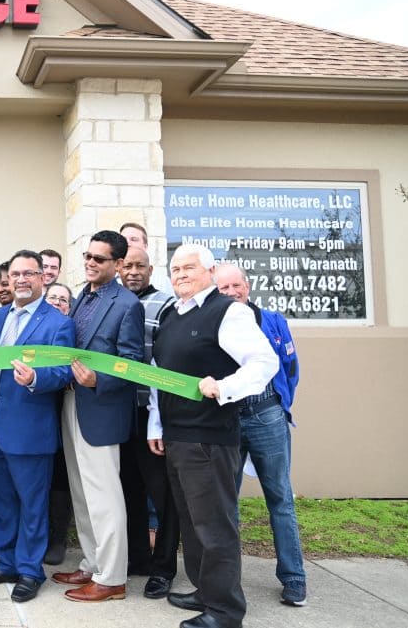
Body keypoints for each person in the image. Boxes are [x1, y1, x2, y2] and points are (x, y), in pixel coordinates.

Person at [148, 245, 277, 628]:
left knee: (214, 525)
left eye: (190, 267)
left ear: (210, 271)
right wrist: (157, 426)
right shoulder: (172, 314)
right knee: (191, 521)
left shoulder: (229, 312)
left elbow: (265, 361)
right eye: (175, 269)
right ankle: (206, 592)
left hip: (210, 437)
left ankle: (224, 611)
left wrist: (224, 386)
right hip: (177, 436)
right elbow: (160, 375)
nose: (181, 274)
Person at [0, 250, 75, 603]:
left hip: (30, 428)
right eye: (15, 274)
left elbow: (62, 373)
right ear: (7, 280)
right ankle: (7, 562)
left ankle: (30, 570)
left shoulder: (58, 323)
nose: (21, 280)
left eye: (29, 273)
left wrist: (34, 378)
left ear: (43, 278)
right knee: (1, 501)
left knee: (31, 503)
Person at [54, 230, 144, 603]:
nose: (90, 263)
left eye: (100, 259)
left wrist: (98, 380)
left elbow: (133, 361)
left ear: (119, 265)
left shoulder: (127, 305)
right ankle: (92, 564)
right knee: (81, 492)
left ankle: (112, 578)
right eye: (88, 257)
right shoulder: (81, 298)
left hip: (102, 408)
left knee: (104, 497)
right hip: (72, 403)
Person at [214, 263, 307, 607]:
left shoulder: (273, 320)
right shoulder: (214, 323)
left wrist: (280, 405)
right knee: (227, 503)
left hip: (267, 415)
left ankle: (294, 578)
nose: (231, 292)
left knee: (280, 498)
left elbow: (290, 368)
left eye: (236, 285)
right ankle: (227, 580)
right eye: (223, 287)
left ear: (247, 287)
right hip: (229, 419)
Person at [117, 246, 180, 600]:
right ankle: (138, 557)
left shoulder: (165, 304)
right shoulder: (115, 302)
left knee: (163, 495)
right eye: (127, 265)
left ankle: (164, 568)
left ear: (151, 269)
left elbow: (165, 360)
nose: (133, 272)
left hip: (151, 412)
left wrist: (159, 418)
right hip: (119, 411)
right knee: (128, 490)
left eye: (140, 266)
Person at [41, 280, 75, 566]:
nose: (57, 302)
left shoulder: (73, 330)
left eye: (63, 299)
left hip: (67, 411)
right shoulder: (38, 328)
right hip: (39, 410)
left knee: (61, 477)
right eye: (52, 297)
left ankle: (58, 537)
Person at [119, 222, 173, 295]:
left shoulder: (161, 281)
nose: (128, 243)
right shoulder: (108, 279)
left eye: (134, 239)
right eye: (123, 240)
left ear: (145, 246)